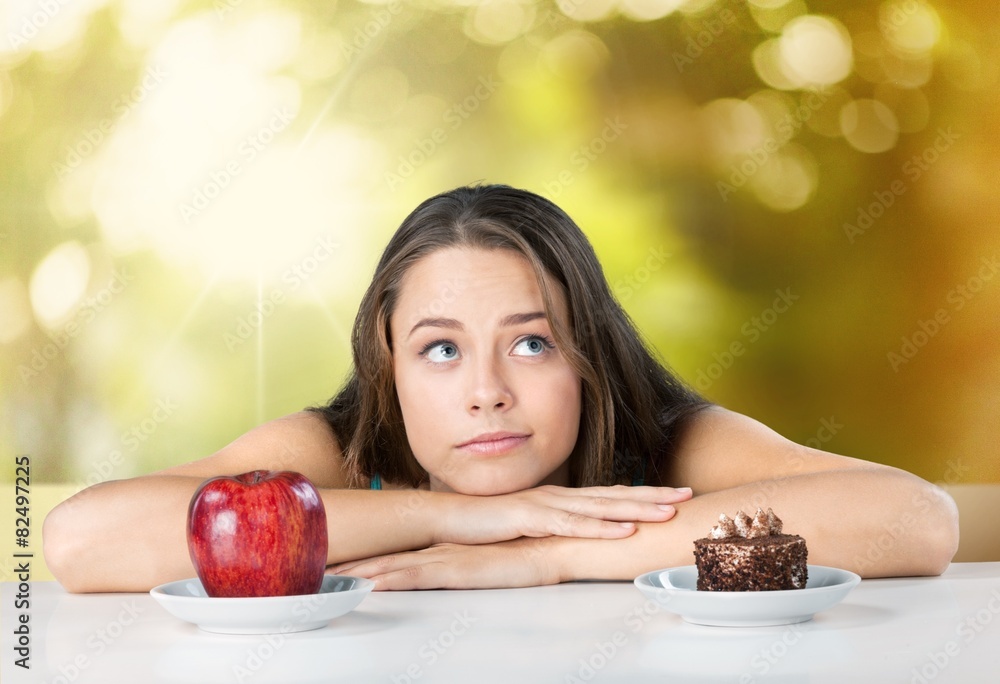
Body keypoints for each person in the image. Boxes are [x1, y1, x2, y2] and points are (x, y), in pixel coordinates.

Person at [43, 184, 959, 593]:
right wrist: (443, 517)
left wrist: (550, 552)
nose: (485, 393)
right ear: (387, 364)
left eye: (530, 344)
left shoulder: (666, 439)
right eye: (440, 351)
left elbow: (914, 520)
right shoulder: (345, 449)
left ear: (590, 352)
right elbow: (84, 542)